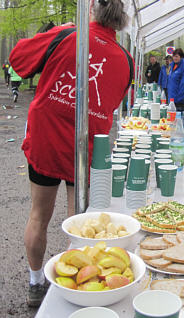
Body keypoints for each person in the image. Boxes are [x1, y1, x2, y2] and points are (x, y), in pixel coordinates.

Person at [9, 0, 133, 307]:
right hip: (86, 148)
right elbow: (112, 102)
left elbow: (17, 59)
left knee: (39, 215)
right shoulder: (126, 61)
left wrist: (54, 35)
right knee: (79, 222)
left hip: (47, 141)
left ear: (90, 9)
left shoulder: (66, 35)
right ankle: (77, 286)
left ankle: (37, 282)